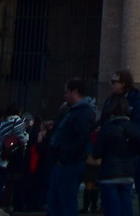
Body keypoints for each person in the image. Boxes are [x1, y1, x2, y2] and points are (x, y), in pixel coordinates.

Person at [44, 80, 98, 216]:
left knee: (65, 203)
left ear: (74, 92)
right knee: (56, 203)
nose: (64, 95)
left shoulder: (82, 112)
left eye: (66, 92)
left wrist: (64, 157)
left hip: (68, 163)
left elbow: (81, 138)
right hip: (64, 161)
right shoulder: (73, 110)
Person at [98, 95, 140, 216]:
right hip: (127, 171)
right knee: (126, 205)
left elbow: (97, 151)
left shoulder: (107, 127)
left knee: (112, 208)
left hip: (109, 172)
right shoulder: (132, 127)